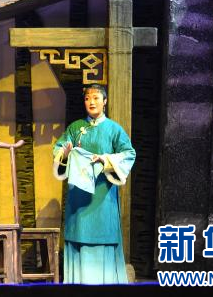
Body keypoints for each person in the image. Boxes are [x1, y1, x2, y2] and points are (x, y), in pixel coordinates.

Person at [52, 83, 135, 284]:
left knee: (103, 234)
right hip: (78, 196)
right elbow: (58, 148)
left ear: (104, 101)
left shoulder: (114, 129)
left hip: (102, 194)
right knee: (79, 233)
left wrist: (105, 160)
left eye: (96, 98)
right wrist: (64, 154)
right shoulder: (75, 128)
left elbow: (129, 154)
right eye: (87, 98)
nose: (91, 102)